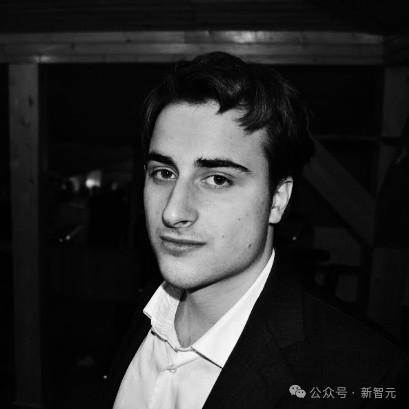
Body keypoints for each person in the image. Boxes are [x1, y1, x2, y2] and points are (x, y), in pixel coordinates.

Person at [101, 52, 408, 408]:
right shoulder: (143, 310)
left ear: (278, 199)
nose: (172, 211)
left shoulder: (368, 374)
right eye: (164, 173)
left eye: (217, 179)